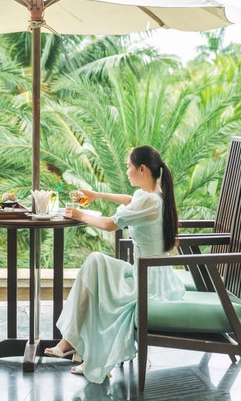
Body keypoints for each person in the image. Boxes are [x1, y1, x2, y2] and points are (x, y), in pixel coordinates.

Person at [44, 145, 185, 383]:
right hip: (146, 273)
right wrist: (98, 195)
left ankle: (78, 346)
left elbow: (110, 225)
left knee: (100, 278)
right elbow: (131, 200)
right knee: (96, 263)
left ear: (142, 169)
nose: (127, 171)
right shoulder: (154, 196)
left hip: (149, 284)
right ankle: (74, 343)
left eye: (129, 166)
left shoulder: (149, 202)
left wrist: (80, 215)